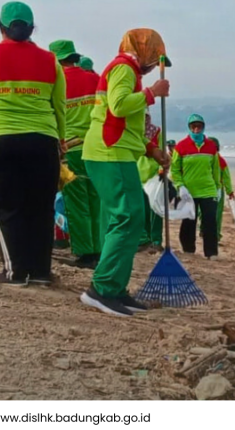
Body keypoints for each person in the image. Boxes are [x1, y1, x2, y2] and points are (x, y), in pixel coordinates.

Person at [0, 1, 65, 286]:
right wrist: (61, 140)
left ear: (1, 27)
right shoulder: (50, 61)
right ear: (32, 29)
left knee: (7, 209)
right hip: (42, 141)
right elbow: (59, 107)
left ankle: (16, 271)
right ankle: (41, 272)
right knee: (41, 208)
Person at [80, 28, 171, 316]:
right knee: (127, 216)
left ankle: (116, 287)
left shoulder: (130, 71)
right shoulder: (123, 68)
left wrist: (151, 149)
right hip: (109, 153)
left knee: (130, 218)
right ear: (143, 51)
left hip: (116, 151)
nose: (155, 62)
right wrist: (151, 93)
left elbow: (126, 124)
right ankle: (102, 288)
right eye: (155, 56)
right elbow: (117, 108)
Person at [50, 39, 101, 268]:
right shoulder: (95, 79)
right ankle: (99, 249)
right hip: (97, 150)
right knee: (96, 201)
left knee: (77, 203)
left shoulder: (56, 81)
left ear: (58, 60)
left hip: (71, 150)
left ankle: (84, 253)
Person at [171, 114, 221, 259]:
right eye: (194, 126)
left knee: (210, 222)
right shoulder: (181, 146)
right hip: (189, 191)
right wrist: (180, 185)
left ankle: (211, 252)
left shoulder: (211, 146)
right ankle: (188, 249)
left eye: (199, 126)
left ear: (203, 127)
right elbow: (175, 169)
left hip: (208, 190)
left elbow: (216, 169)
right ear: (190, 127)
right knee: (188, 222)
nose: (197, 129)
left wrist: (217, 188)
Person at [138, 113, 165, 251]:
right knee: (141, 210)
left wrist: (161, 169)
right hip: (137, 174)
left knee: (155, 210)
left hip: (153, 175)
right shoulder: (133, 130)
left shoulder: (156, 131)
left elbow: (162, 152)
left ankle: (156, 240)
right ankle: (144, 239)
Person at [207, 137, 235, 244]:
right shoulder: (210, 159)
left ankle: (214, 235)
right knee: (211, 214)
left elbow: (226, 177)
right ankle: (210, 233)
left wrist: (229, 191)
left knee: (214, 214)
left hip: (213, 189)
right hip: (209, 189)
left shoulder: (220, 161)